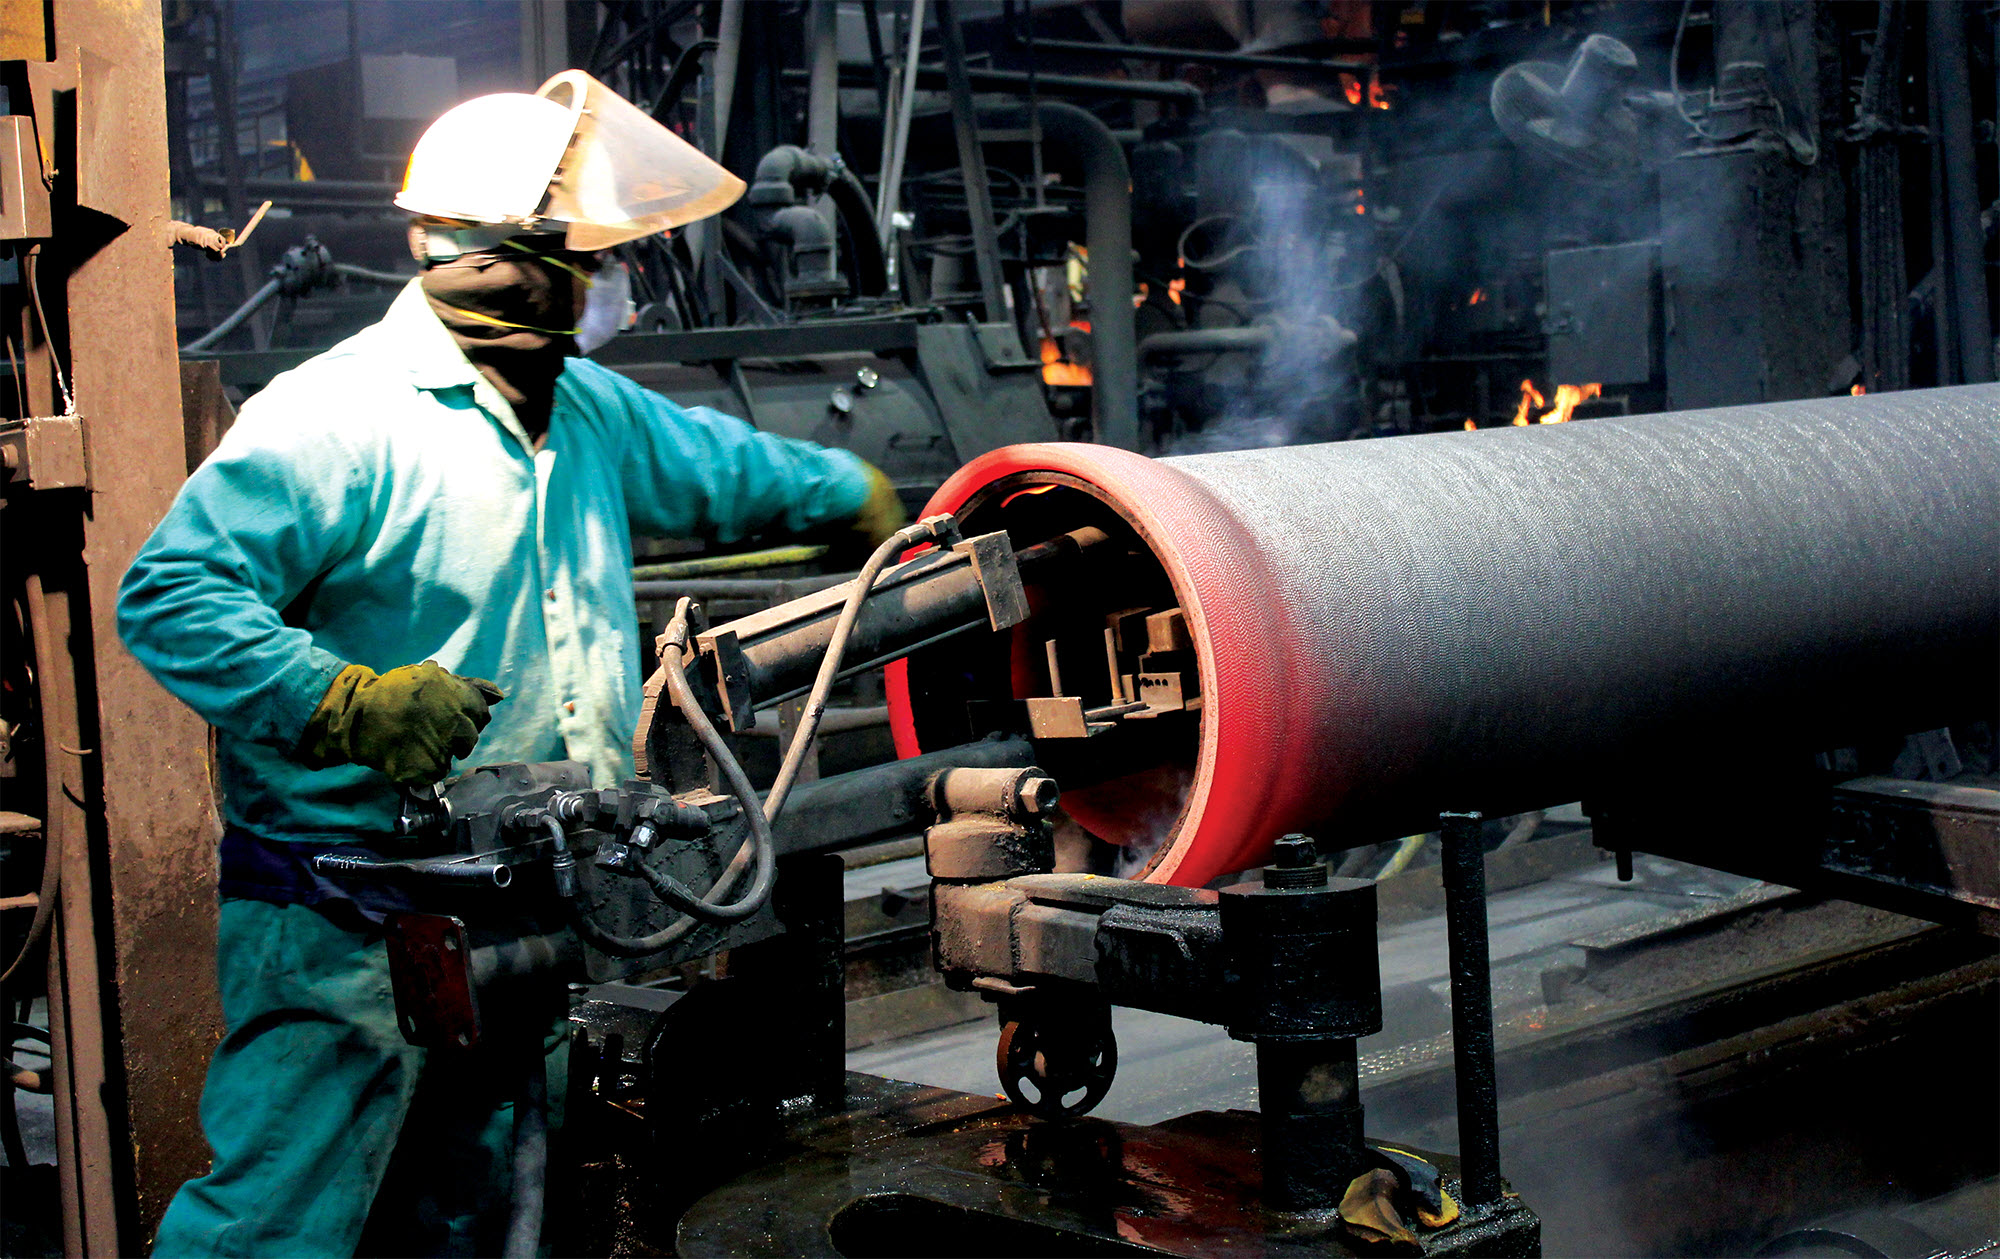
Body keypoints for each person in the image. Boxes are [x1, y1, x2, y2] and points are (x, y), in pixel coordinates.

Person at [118, 71, 903, 1258]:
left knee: (481, 1222)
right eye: (559, 251)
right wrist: (337, 697)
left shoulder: (580, 409)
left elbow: (722, 468)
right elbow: (166, 594)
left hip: (525, 904)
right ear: (493, 252)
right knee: (278, 1224)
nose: (576, 282)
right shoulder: (339, 419)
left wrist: (851, 493)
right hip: (351, 926)